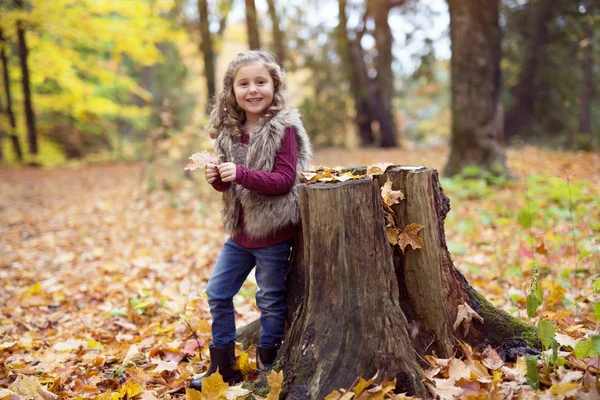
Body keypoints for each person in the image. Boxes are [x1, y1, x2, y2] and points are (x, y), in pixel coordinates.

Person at [190, 50, 312, 391]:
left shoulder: (282, 129)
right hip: (240, 233)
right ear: (232, 90)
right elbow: (227, 185)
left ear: (275, 85)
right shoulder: (228, 132)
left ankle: (268, 367)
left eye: (261, 82)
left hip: (273, 230)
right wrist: (217, 177)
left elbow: (285, 180)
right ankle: (222, 367)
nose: (253, 90)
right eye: (243, 83)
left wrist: (240, 173)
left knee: (270, 299)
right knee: (217, 292)